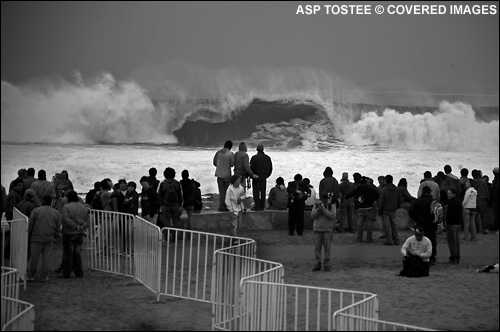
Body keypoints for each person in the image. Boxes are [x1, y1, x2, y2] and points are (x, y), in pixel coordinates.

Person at [27, 195, 62, 282]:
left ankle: (31, 275)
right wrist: (57, 235)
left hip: (36, 237)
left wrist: (29, 235)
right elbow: (58, 226)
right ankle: (44, 276)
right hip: (49, 238)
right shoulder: (55, 212)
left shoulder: (36, 211)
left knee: (34, 259)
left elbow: (30, 224)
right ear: (51, 202)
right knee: (46, 259)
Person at [60, 191, 89, 279]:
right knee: (77, 253)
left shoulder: (67, 207)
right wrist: (82, 226)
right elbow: (87, 219)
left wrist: (75, 227)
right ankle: (79, 272)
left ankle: (67, 273)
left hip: (70, 232)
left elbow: (66, 220)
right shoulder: (83, 207)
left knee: (68, 254)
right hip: (80, 232)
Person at [408, 186, 438, 265]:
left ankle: (421, 257)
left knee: (419, 241)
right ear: (430, 192)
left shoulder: (418, 201)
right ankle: (432, 258)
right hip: (432, 224)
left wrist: (416, 218)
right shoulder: (434, 201)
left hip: (420, 224)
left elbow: (410, 211)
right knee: (432, 241)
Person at [345, 176, 379, 243]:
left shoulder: (358, 188)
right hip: (369, 208)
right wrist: (372, 201)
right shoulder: (370, 188)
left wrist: (347, 197)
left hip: (360, 208)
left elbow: (350, 194)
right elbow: (377, 195)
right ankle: (369, 239)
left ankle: (359, 238)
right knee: (369, 224)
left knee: (360, 224)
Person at [311, 196, 336, 272]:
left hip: (327, 230)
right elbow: (312, 216)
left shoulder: (332, 206)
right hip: (317, 229)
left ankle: (327, 264)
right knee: (317, 249)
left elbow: (332, 216)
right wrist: (318, 210)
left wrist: (324, 210)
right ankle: (318, 263)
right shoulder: (316, 206)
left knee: (327, 249)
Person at [158, 167, 183, 238]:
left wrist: (161, 204)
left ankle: (167, 236)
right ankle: (175, 237)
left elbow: (159, 194)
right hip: (175, 205)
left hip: (165, 205)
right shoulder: (177, 183)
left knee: (166, 221)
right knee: (175, 221)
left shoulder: (162, 183)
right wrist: (180, 204)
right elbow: (180, 194)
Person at [378, 174, 401, 246]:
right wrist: (397, 207)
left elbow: (381, 201)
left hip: (385, 210)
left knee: (387, 226)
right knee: (394, 225)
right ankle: (396, 239)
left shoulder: (384, 190)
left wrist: (380, 210)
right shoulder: (397, 189)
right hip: (393, 209)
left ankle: (389, 240)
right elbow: (399, 200)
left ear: (386, 181)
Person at [213, 140, 235, 211]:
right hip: (227, 175)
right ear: (230, 147)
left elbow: (214, 163)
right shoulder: (231, 154)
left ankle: (221, 206)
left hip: (219, 175)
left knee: (221, 192)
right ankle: (226, 206)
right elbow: (232, 164)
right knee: (227, 192)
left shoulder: (218, 152)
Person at [250, 144, 273, 211]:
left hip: (256, 177)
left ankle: (257, 206)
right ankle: (262, 206)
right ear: (263, 149)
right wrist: (266, 176)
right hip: (263, 177)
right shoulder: (267, 158)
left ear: (257, 150)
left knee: (256, 192)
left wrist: (252, 176)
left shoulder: (254, 157)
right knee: (263, 192)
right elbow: (270, 168)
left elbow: (251, 168)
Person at [446, 188, 462, 264]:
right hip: (458, 223)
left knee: (452, 241)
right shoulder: (458, 201)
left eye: (449, 193)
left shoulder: (451, 203)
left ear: (453, 194)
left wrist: (446, 222)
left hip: (452, 224)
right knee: (457, 241)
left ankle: (453, 257)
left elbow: (450, 214)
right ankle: (457, 257)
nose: (448, 195)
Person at [472, 169, 490, 234]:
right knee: (484, 215)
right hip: (482, 200)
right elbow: (486, 191)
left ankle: (476, 229)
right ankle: (484, 229)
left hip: (475, 200)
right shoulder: (482, 182)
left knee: (475, 216)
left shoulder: (472, 182)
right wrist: (488, 199)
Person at [492, 167, 499, 233]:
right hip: (496, 200)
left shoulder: (496, 181)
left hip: (496, 200)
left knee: (496, 214)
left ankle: (496, 226)